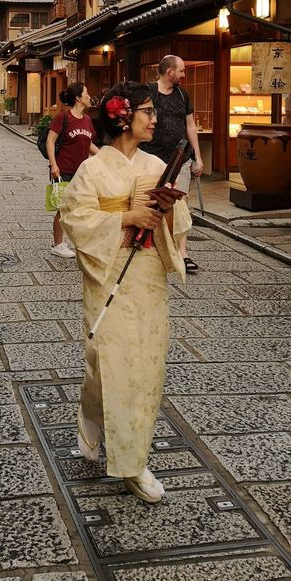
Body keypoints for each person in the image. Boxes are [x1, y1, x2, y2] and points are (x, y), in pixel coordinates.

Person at [60, 82, 187, 504]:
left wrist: (164, 213)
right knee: (107, 360)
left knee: (142, 367)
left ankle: (134, 461)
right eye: (148, 112)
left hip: (147, 276)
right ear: (122, 117)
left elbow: (177, 225)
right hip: (108, 273)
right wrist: (126, 216)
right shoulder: (93, 170)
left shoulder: (155, 166)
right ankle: (94, 418)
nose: (155, 119)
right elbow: (75, 219)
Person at [140, 55, 203, 274]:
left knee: (181, 204)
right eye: (182, 71)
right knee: (153, 202)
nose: (184, 75)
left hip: (180, 158)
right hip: (151, 157)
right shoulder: (149, 92)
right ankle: (153, 244)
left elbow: (191, 126)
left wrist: (197, 156)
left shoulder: (182, 94)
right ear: (170, 72)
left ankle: (182, 253)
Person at [47, 83, 99, 258]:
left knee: (81, 207)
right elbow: (50, 141)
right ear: (78, 98)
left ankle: (80, 241)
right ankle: (58, 244)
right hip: (63, 170)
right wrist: (53, 165)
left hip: (82, 172)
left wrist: (105, 157)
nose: (89, 95)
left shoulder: (87, 120)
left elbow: (88, 143)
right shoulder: (63, 117)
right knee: (63, 208)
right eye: (86, 92)